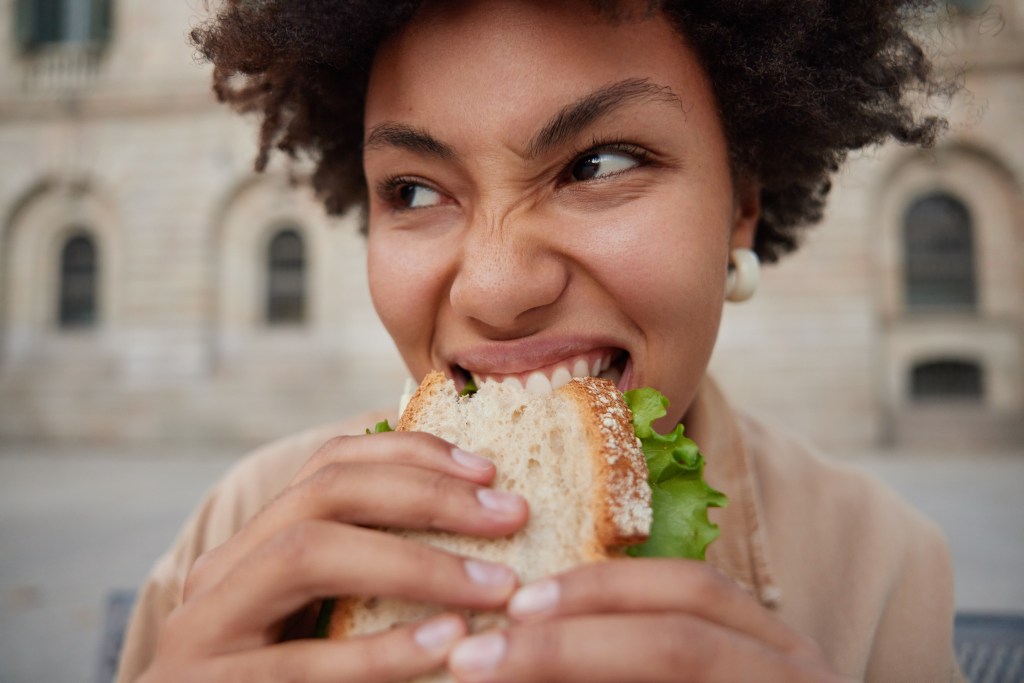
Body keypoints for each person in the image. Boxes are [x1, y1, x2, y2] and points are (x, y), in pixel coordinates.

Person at [117, 1, 963, 681]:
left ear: (741, 202)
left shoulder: (882, 567)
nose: (494, 287)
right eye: (412, 190)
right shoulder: (242, 524)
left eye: (598, 165)